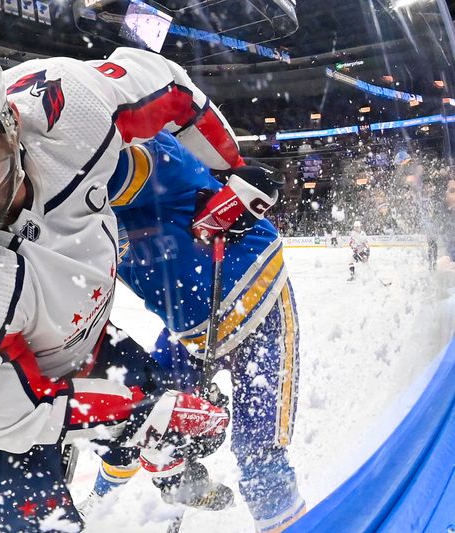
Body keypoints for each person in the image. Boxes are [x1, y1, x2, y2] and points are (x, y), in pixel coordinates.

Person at [0, 17, 269, 532]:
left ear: (11, 124)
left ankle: (165, 464)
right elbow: (14, 419)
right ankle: (133, 444)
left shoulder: (70, 105)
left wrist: (230, 171)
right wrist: (139, 415)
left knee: (162, 419)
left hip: (82, 334)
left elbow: (169, 86)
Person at [80, 131, 304, 532]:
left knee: (259, 452)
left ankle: (283, 521)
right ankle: (124, 494)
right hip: (188, 332)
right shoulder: (74, 221)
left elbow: (138, 158)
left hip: (258, 302)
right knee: (141, 416)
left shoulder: (137, 154)